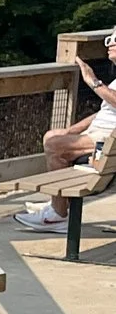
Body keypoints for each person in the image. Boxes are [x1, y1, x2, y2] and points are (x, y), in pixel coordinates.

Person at [15, 40, 116, 229]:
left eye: (115, 39)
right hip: (103, 136)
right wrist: (71, 131)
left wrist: (93, 81)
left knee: (55, 146)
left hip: (108, 140)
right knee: (52, 136)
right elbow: (104, 112)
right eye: (109, 39)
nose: (110, 43)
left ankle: (57, 215)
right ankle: (57, 203)